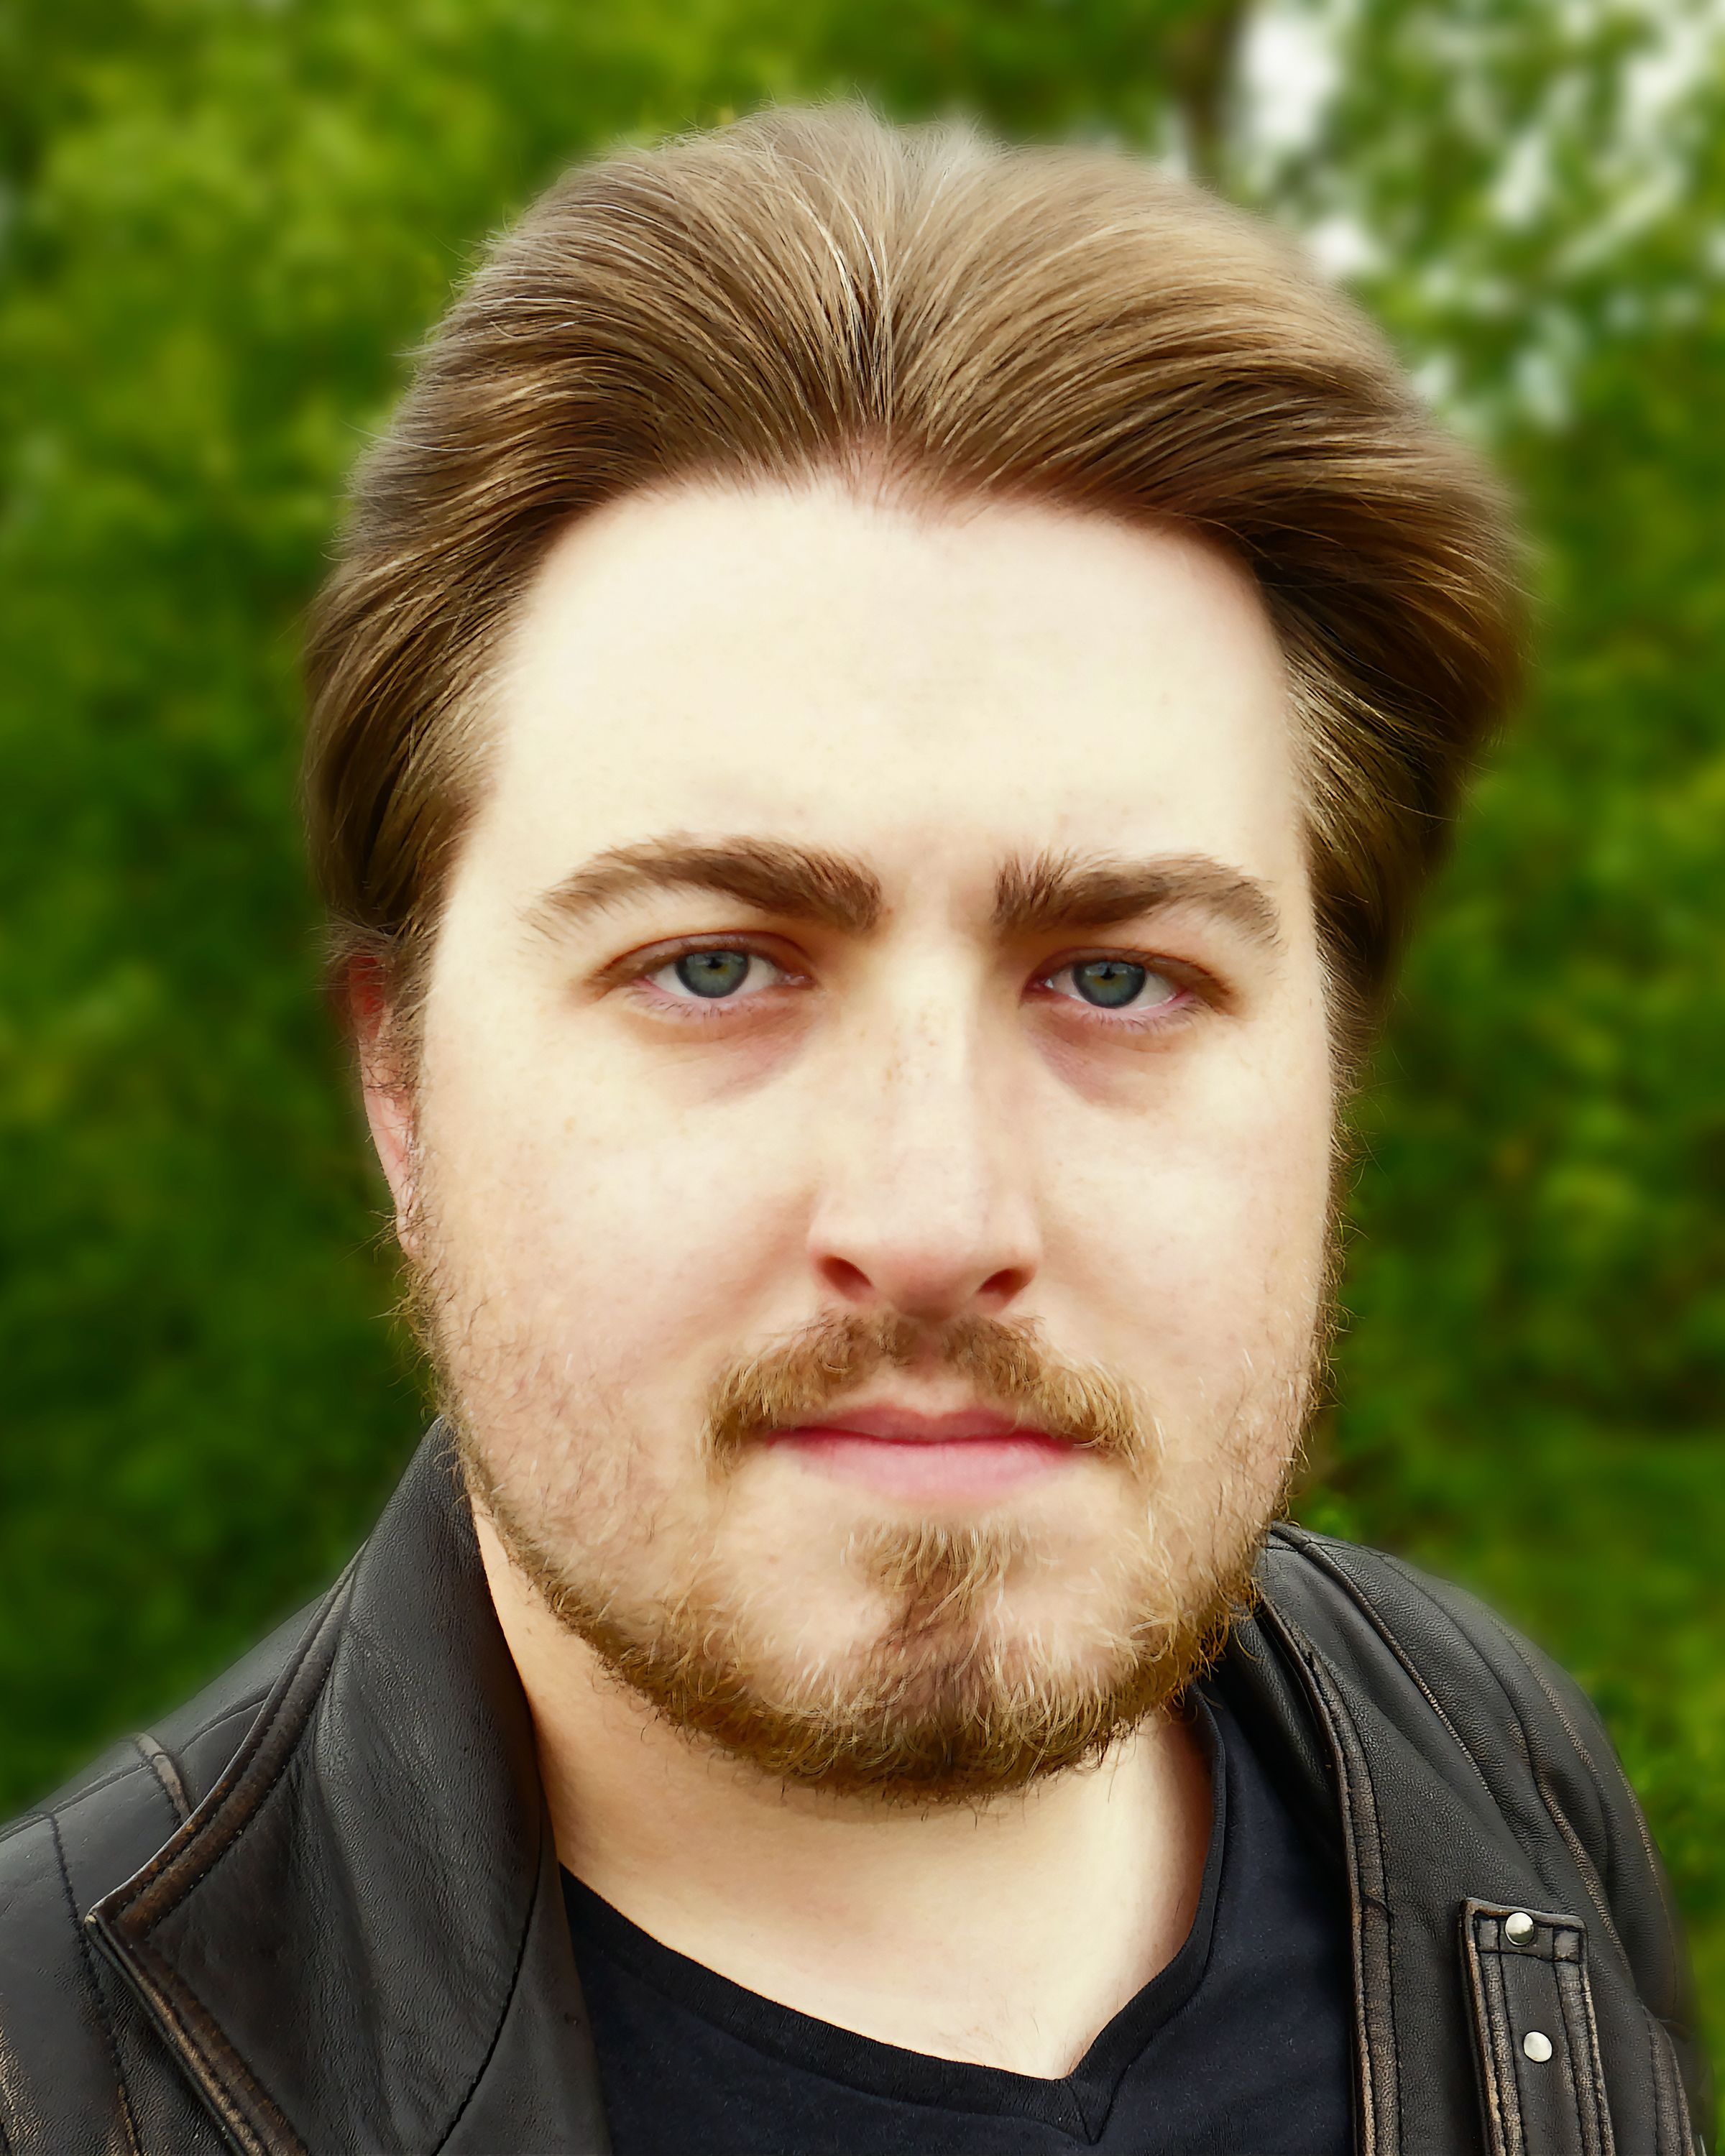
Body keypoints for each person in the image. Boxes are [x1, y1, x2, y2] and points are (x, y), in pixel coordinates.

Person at [0, 103, 1706, 2156]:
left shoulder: (1490, 1766)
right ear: (402, 1096)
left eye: (1120, 977)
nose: (932, 1213)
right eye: (714, 966)